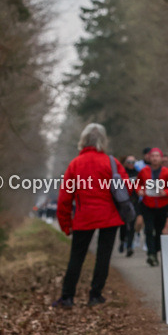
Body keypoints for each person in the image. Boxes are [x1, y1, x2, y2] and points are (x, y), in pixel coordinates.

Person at [53, 123, 130, 308]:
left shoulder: (75, 164)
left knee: (77, 257)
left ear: (83, 140)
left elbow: (64, 197)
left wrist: (65, 223)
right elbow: (127, 187)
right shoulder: (111, 162)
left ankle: (68, 297)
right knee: (103, 256)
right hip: (109, 216)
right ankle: (95, 295)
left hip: (84, 216)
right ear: (103, 140)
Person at [134, 147, 168, 266]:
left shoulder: (166, 172)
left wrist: (165, 192)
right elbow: (137, 184)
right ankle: (151, 254)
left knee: (159, 231)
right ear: (149, 158)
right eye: (152, 156)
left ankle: (155, 251)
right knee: (148, 229)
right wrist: (139, 191)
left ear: (161, 158)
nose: (155, 158)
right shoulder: (144, 171)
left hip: (162, 205)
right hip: (147, 204)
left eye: (157, 156)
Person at [119, 155, 141, 256]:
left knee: (132, 224)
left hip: (134, 201)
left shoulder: (138, 174)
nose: (131, 164)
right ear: (125, 163)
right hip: (123, 202)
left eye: (133, 162)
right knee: (123, 224)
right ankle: (122, 240)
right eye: (129, 162)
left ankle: (129, 247)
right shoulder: (122, 173)